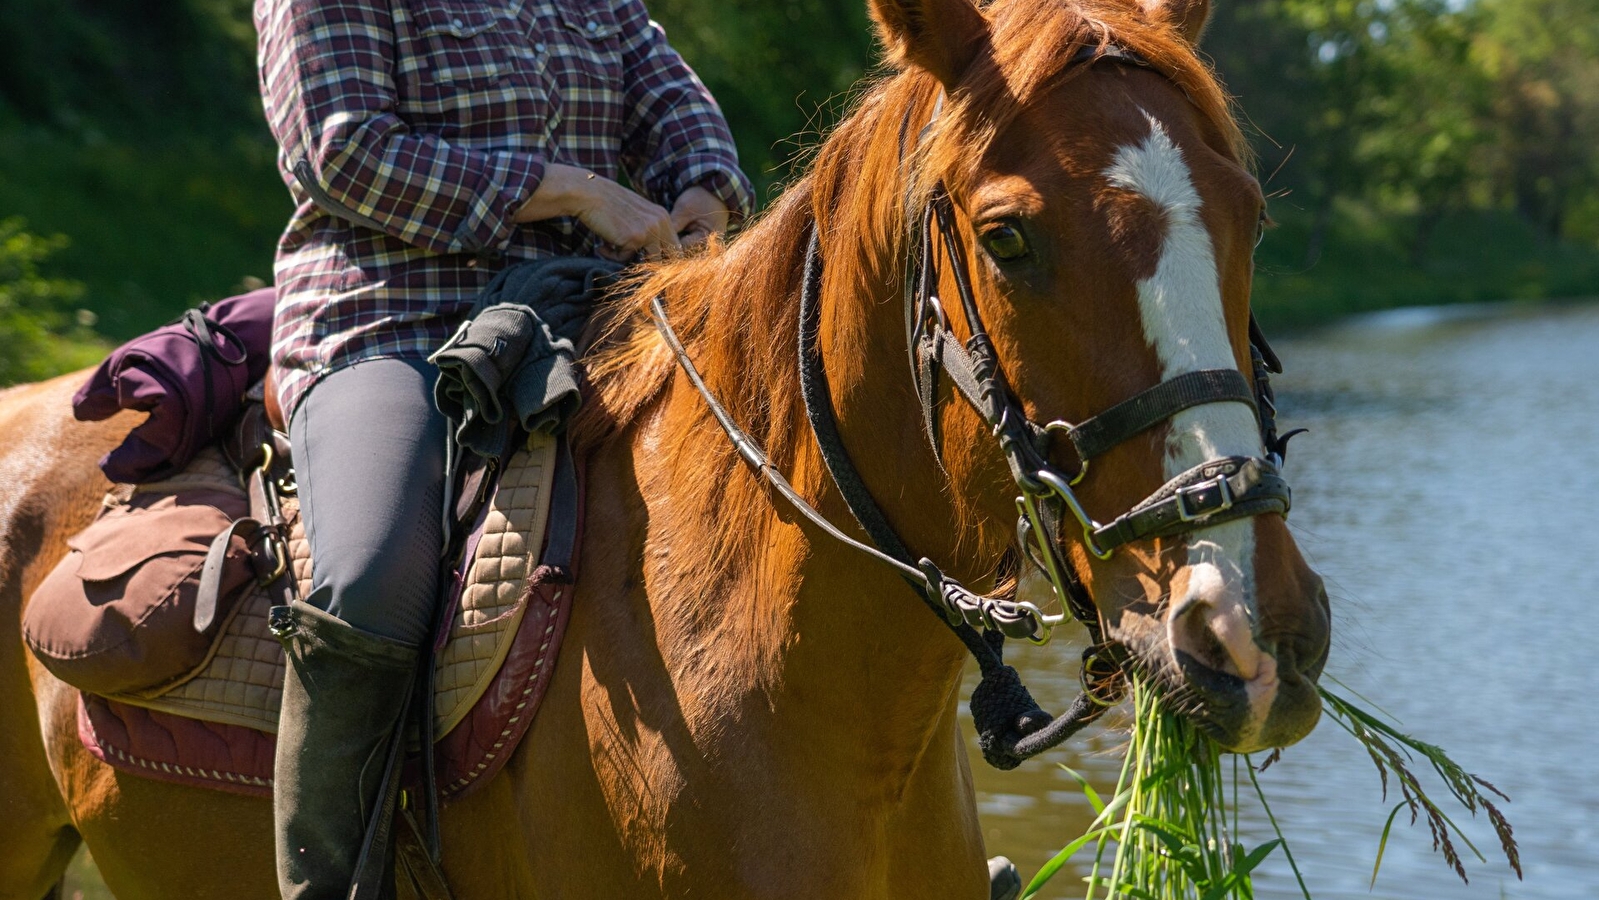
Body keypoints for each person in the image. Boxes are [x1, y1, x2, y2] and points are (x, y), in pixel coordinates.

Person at [254, 0, 752, 895]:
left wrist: (701, 190)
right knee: (371, 574)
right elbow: (339, 151)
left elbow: (670, 98)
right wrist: (569, 189)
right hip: (394, 318)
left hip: (588, 307)